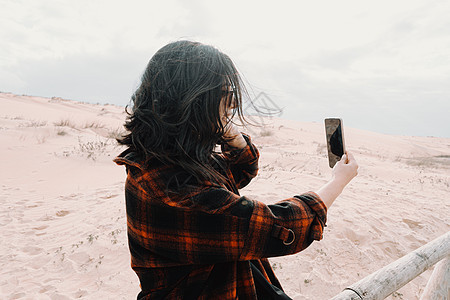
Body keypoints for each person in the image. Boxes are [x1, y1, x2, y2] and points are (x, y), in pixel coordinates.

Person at [114, 40, 358, 299]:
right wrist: (337, 182)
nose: (232, 106)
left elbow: (241, 169)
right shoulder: (172, 188)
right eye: (226, 95)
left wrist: (221, 127)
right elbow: (279, 227)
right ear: (191, 101)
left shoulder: (173, 159)